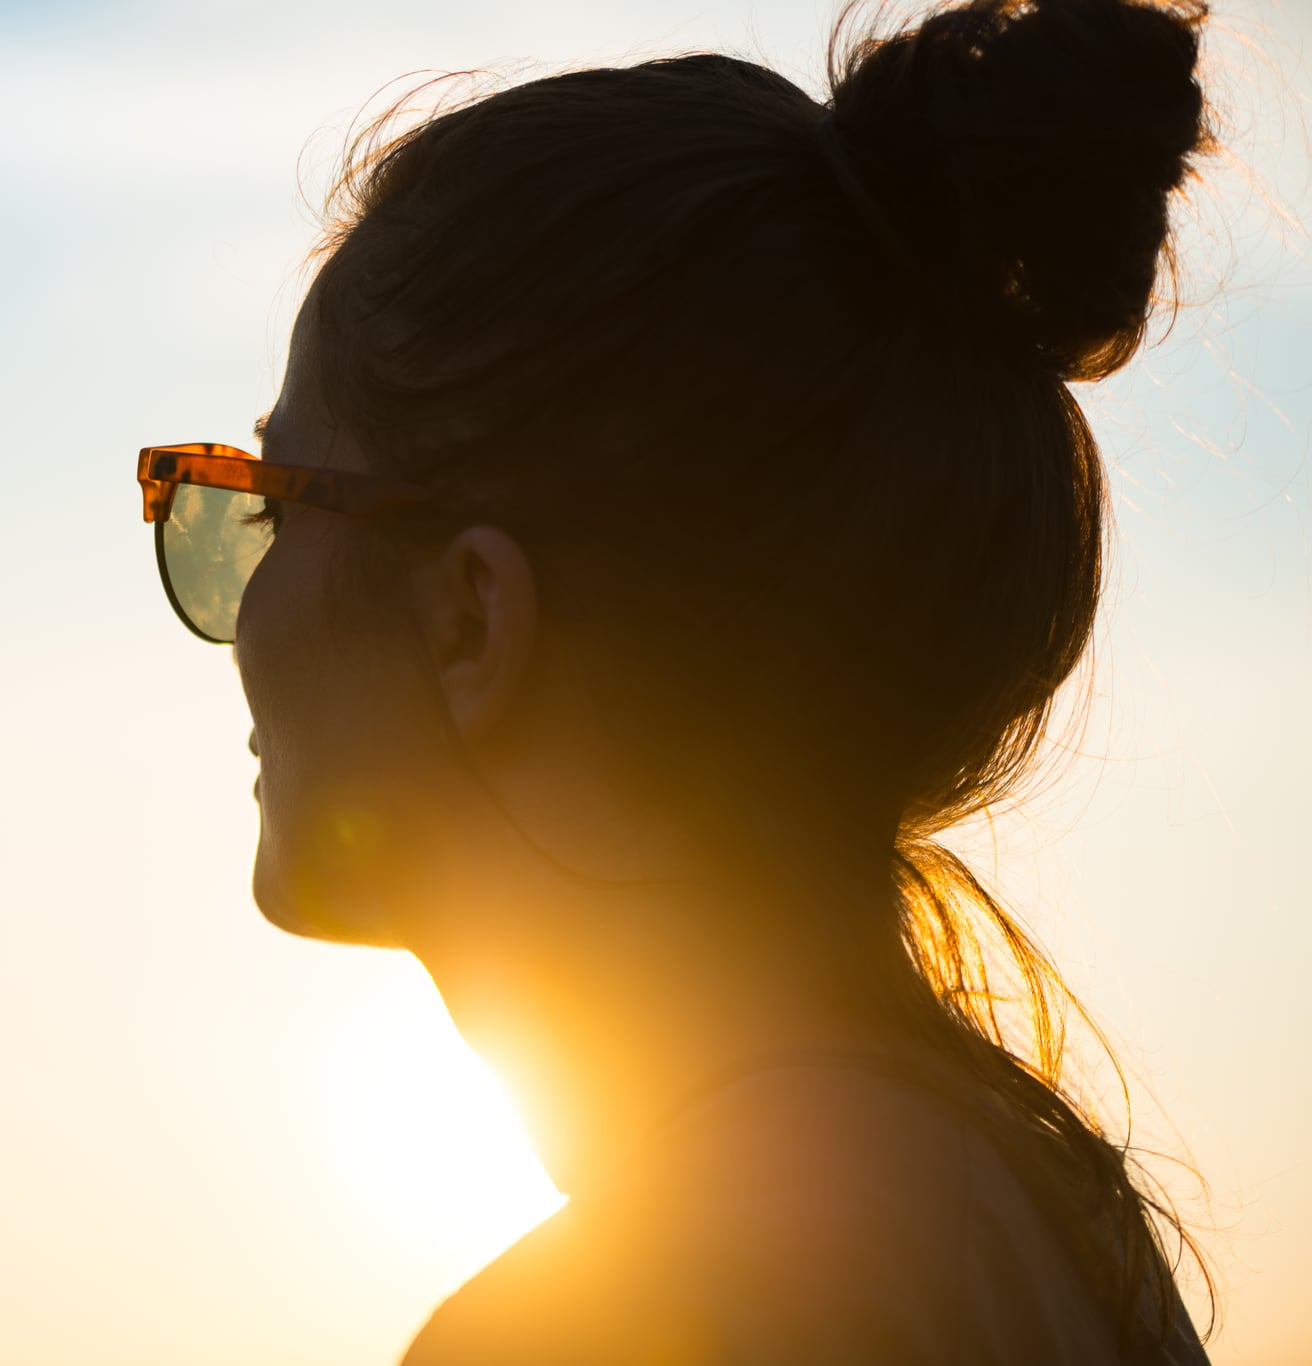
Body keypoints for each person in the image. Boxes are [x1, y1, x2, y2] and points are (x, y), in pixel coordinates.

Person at [132, 0, 1217, 1359]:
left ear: (471, 617)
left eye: (274, 505)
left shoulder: (614, 1317)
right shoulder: (1057, 1231)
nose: (241, 619)